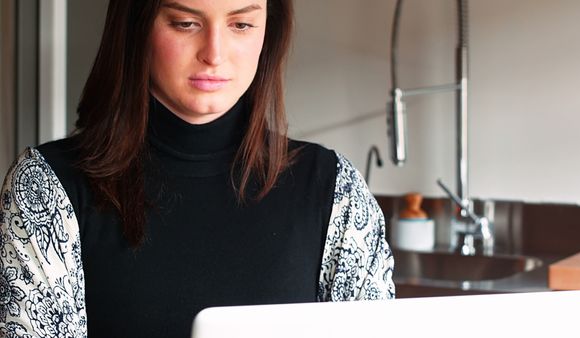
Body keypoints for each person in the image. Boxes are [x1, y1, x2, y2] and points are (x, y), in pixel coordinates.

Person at [0, 0, 395, 337]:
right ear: (138, 26)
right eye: (186, 23)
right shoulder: (45, 189)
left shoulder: (334, 189)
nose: (214, 53)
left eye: (241, 24)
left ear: (267, 32)